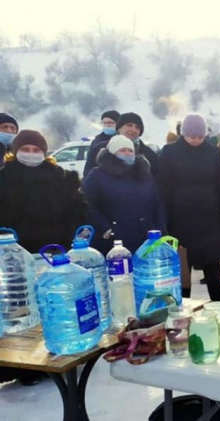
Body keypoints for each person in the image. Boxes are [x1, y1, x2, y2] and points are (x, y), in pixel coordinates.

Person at [0, 130, 87, 387]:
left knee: (57, 305)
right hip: (18, 255)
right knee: (24, 311)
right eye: (26, 148)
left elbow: (78, 208)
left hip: (55, 253)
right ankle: (26, 367)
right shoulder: (5, 178)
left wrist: (78, 230)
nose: (31, 153)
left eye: (36, 149)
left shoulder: (59, 177)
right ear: (15, 150)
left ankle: (64, 354)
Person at [158, 114, 220, 301]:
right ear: (183, 134)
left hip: (209, 218)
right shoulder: (169, 152)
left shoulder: (212, 152)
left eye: (200, 137)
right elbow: (163, 187)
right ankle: (182, 306)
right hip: (181, 219)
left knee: (212, 266)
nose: (196, 140)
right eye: (192, 137)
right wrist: (164, 219)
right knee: (183, 268)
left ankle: (219, 303)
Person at [82, 135, 166, 255]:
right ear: (111, 152)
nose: (127, 153)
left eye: (130, 150)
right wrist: (105, 227)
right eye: (122, 150)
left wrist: (160, 228)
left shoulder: (144, 174)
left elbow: (158, 202)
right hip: (113, 242)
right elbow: (86, 204)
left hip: (145, 239)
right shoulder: (97, 175)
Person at [115, 112, 160, 177]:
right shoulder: (103, 149)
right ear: (119, 128)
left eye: (137, 127)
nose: (133, 130)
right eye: (129, 125)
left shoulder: (149, 155)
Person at [83, 110, 120, 178]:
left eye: (110, 122)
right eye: (104, 123)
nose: (107, 125)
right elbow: (89, 164)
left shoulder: (123, 140)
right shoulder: (96, 141)